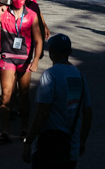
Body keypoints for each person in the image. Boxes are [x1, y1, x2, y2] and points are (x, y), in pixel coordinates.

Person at [22, 34, 92, 169]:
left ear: (51, 52)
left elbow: (42, 114)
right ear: (69, 52)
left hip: (49, 146)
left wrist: (29, 141)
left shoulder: (50, 75)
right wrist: (82, 141)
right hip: (70, 147)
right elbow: (87, 113)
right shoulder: (79, 76)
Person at [0, 0, 43, 144]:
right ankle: (5, 131)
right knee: (6, 96)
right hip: (7, 58)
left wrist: (36, 60)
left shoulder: (32, 16)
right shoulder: (4, 13)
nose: (18, 1)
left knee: (24, 95)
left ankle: (24, 129)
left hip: (24, 59)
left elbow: (39, 40)